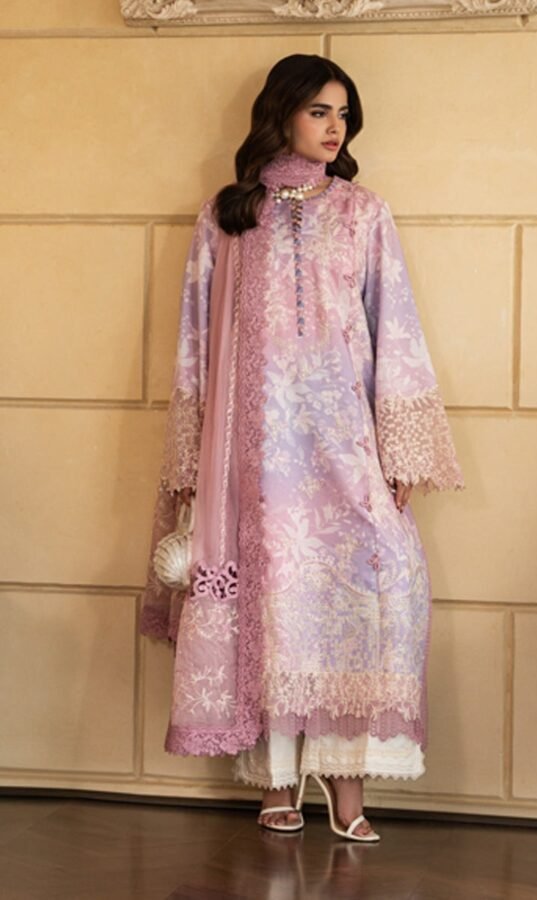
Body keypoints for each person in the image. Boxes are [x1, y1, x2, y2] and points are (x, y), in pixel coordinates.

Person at [139, 53, 464, 843]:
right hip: (250, 457)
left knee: (356, 600)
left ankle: (349, 792)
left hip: (344, 445)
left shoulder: (362, 213)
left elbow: (396, 328)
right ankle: (277, 784)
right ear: (281, 112)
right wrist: (192, 462)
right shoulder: (227, 215)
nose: (335, 127)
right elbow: (194, 341)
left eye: (343, 114)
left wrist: (400, 451)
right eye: (320, 110)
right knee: (274, 605)